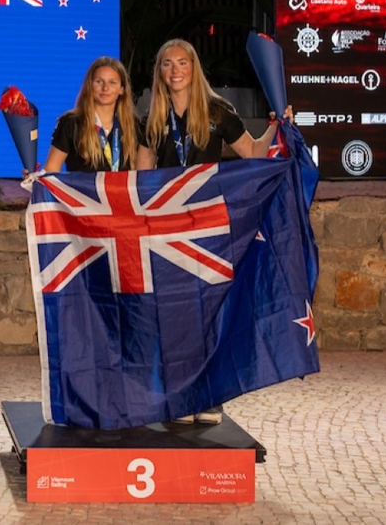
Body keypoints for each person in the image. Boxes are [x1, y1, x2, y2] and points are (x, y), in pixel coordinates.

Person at [135, 38, 291, 424]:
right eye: (167, 64)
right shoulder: (151, 119)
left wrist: (276, 125)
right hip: (167, 226)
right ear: (160, 72)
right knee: (172, 313)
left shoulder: (218, 112)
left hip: (206, 224)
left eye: (182, 63)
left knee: (206, 311)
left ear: (194, 67)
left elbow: (253, 154)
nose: (175, 71)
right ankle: (178, 396)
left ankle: (205, 396)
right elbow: (139, 178)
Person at [43, 57, 142, 173]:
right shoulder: (70, 123)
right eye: (99, 81)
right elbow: (51, 170)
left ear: (122, 89)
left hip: (120, 192)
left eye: (112, 82)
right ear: (89, 85)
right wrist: (33, 179)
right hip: (79, 191)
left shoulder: (133, 125)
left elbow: (140, 176)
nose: (105, 88)